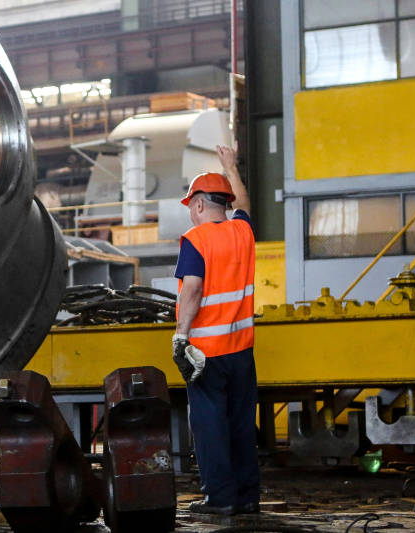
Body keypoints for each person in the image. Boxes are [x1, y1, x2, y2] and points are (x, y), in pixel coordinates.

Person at [172, 145, 260, 516]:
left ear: (197, 205)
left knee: (210, 427)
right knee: (241, 425)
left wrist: (181, 335)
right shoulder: (243, 232)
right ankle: (247, 498)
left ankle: (220, 498)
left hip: (206, 353)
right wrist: (231, 167)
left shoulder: (196, 240)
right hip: (242, 350)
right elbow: (246, 206)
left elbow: (192, 289)